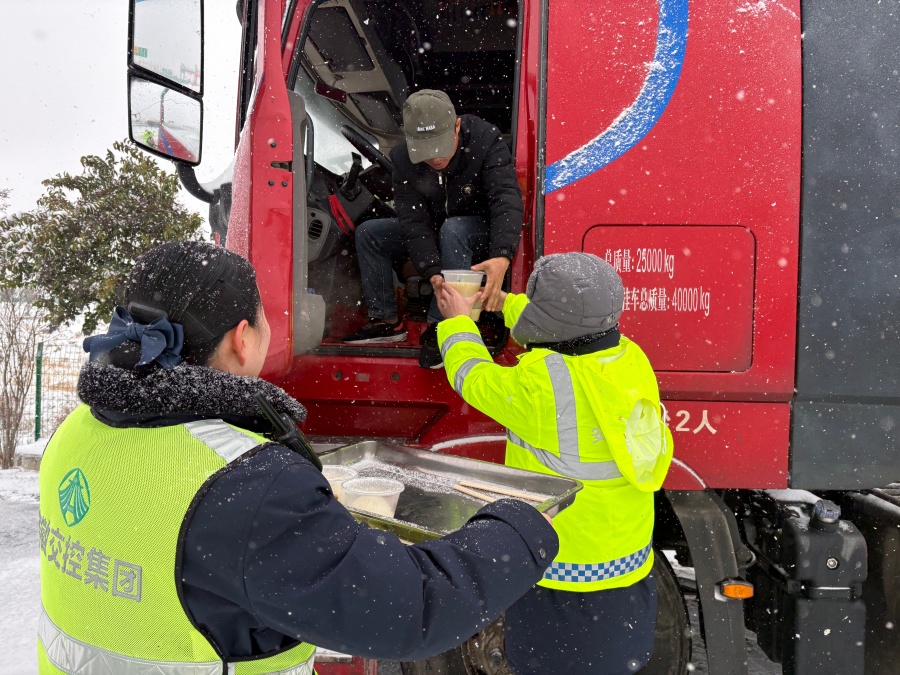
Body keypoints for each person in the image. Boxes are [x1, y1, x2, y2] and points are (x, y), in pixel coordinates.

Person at [38, 241, 559, 674]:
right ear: (244, 339)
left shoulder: (78, 431)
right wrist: (518, 523)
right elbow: (412, 609)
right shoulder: (246, 485)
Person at [435, 252, 674, 674]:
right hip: (626, 569)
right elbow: (572, 321)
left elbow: (471, 375)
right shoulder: (628, 358)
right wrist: (504, 301)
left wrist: (457, 320)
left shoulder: (542, 386)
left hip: (560, 573)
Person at [342, 89, 524, 369]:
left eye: (439, 148)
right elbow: (414, 221)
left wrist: (502, 255)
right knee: (370, 233)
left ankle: (442, 326)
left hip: (479, 231)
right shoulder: (403, 159)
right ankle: (386, 320)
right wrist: (433, 273)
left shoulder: (484, 140)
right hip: (438, 230)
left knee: (455, 229)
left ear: (457, 127)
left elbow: (506, 199)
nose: (435, 159)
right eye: (425, 152)